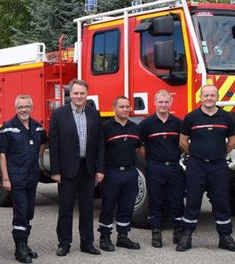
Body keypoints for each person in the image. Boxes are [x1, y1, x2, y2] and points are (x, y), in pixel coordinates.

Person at [49, 79, 104, 257]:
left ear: (87, 94)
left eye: (82, 93)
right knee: (65, 207)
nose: (79, 96)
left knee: (87, 207)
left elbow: (100, 144)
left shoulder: (94, 114)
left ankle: (87, 243)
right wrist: (55, 171)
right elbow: (54, 144)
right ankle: (64, 243)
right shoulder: (59, 114)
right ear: (70, 95)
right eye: (75, 93)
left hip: (87, 168)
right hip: (66, 170)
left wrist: (100, 169)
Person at [178, 83, 235, 252]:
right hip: (197, 165)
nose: (209, 98)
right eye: (206, 95)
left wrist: (219, 154)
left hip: (218, 165)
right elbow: (183, 141)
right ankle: (186, 236)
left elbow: (232, 141)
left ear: (217, 97)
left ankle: (225, 237)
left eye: (212, 95)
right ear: (200, 97)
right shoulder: (191, 118)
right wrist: (197, 154)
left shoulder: (227, 118)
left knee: (221, 201)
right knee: (193, 201)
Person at [0, 95, 47, 263]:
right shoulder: (8, 128)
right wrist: (5, 178)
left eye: (27, 106)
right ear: (15, 109)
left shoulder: (38, 127)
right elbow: (2, 155)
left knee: (29, 212)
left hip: (32, 177)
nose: (23, 110)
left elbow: (43, 143)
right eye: (20, 107)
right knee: (21, 212)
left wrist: (36, 157)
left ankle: (25, 244)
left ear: (31, 108)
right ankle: (19, 249)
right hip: (16, 178)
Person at [139, 89, 184, 247]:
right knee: (156, 200)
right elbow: (140, 147)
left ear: (170, 103)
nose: (163, 105)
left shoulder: (178, 123)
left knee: (176, 200)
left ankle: (178, 232)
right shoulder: (146, 124)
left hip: (173, 167)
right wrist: (153, 160)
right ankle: (156, 233)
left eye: (166, 102)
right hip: (154, 167)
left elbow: (183, 144)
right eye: (160, 102)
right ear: (155, 103)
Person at [98, 96, 142, 251]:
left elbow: (138, 148)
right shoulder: (106, 127)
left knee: (127, 206)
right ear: (114, 108)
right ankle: (105, 237)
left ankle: (123, 236)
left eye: (127, 107)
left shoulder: (135, 127)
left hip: (130, 172)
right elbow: (100, 152)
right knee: (108, 205)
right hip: (112, 173)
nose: (125, 109)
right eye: (121, 106)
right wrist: (100, 171)